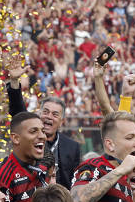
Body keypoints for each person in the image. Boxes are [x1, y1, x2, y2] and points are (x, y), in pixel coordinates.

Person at [6, 59, 81, 189]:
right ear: (38, 114)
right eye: (45, 112)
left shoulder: (73, 147)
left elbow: (75, 183)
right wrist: (14, 81)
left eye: (55, 114)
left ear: (62, 121)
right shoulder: (29, 137)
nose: (49, 117)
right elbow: (18, 111)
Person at [0, 112, 48, 202]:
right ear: (16, 138)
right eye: (34, 131)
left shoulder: (43, 165)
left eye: (42, 131)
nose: (42, 136)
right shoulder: (3, 176)